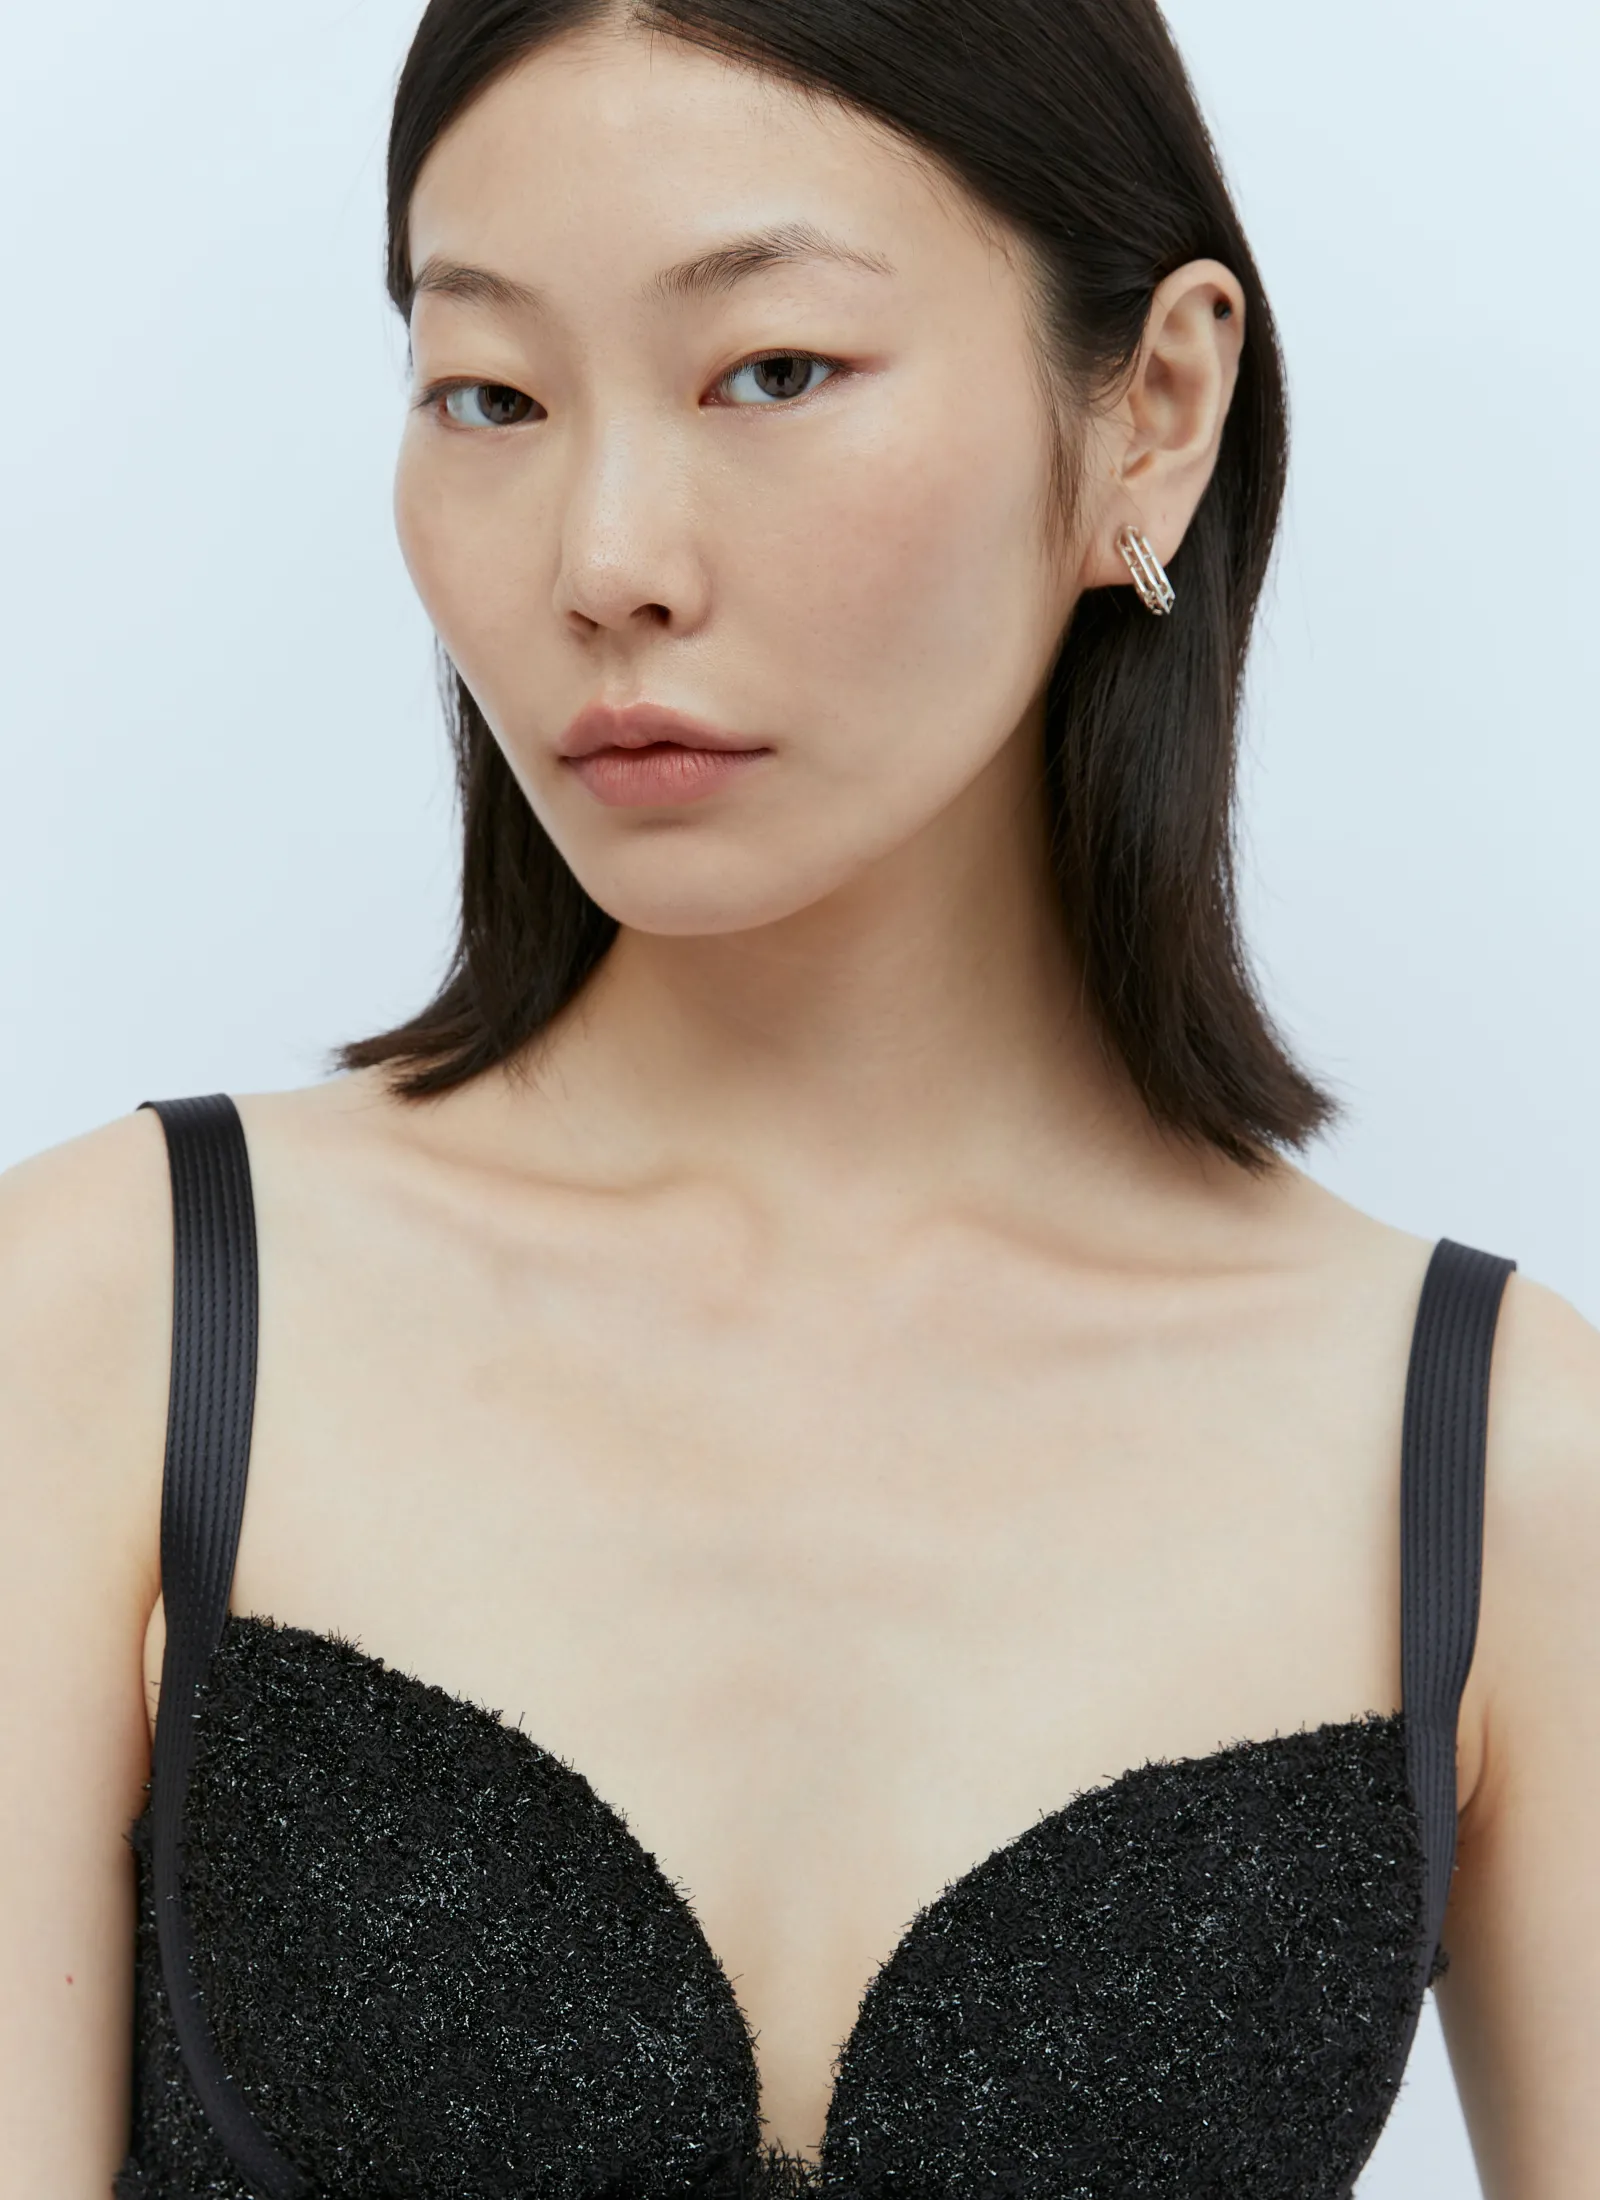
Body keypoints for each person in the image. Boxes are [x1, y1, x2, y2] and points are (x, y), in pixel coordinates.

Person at [2, 0, 1595, 2193]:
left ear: (1152, 407)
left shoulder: (1495, 1460)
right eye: (489, 393)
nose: (605, 561)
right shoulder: (105, 1326)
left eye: (770, 370)